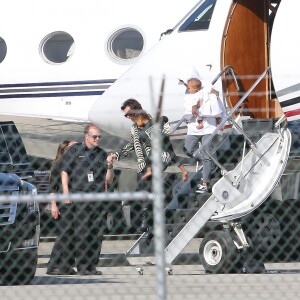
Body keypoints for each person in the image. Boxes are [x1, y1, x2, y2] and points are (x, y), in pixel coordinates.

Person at [116, 104, 188, 231]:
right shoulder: (134, 129)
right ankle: (145, 221)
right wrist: (117, 155)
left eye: (129, 115)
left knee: (149, 190)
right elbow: (132, 144)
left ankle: (148, 221)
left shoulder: (155, 126)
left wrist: (182, 170)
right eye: (126, 115)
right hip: (143, 166)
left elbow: (169, 149)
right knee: (142, 193)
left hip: (158, 161)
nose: (128, 118)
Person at [59, 124, 115, 275]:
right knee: (82, 233)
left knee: (97, 234)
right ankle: (82, 266)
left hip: (97, 199)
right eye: (94, 136)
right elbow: (64, 171)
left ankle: (92, 266)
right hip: (80, 197)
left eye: (99, 137)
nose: (97, 139)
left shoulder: (102, 154)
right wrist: (66, 191)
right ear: (86, 137)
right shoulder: (75, 151)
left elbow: (108, 180)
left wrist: (109, 166)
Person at [183, 78, 224, 194]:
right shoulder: (188, 95)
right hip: (194, 129)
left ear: (195, 88)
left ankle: (205, 183)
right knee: (187, 149)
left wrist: (199, 107)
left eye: (189, 87)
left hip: (208, 128)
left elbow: (215, 105)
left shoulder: (206, 92)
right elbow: (189, 111)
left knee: (207, 153)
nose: (187, 89)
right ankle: (212, 162)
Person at [46, 140, 78, 275]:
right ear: (64, 151)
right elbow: (52, 188)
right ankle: (53, 265)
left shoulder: (73, 166)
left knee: (70, 234)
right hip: (61, 202)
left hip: (72, 203)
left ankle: (66, 265)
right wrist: (53, 205)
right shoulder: (58, 165)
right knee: (64, 234)